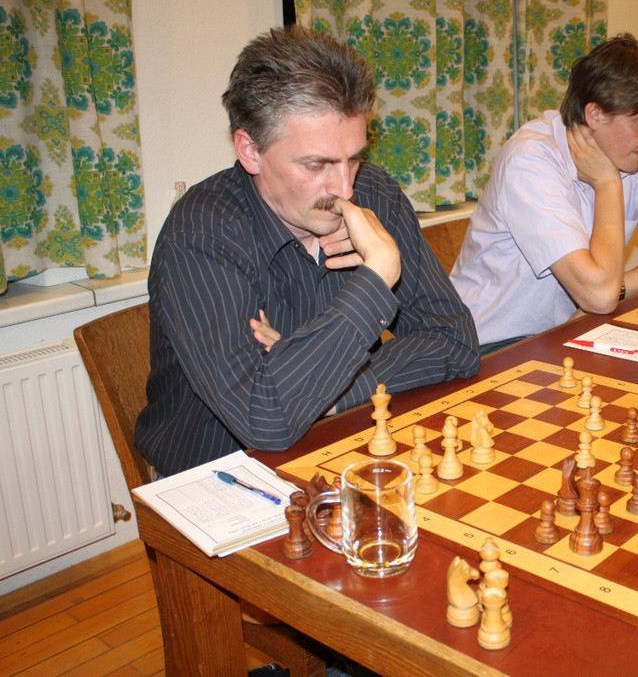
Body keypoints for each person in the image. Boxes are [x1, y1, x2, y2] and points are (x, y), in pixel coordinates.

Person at [136, 26, 480, 476]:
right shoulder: (201, 234)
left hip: (341, 445)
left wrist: (327, 387)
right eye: (317, 164)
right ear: (250, 150)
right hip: (217, 477)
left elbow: (456, 342)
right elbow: (266, 418)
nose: (344, 188)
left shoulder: (375, 194)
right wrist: (378, 274)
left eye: (354, 157)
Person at [449, 34, 638, 353]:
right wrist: (608, 185)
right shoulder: (529, 160)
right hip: (488, 345)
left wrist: (620, 287)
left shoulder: (637, 156)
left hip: (567, 333)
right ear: (595, 115)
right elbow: (599, 297)